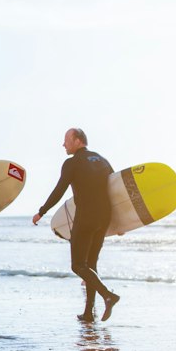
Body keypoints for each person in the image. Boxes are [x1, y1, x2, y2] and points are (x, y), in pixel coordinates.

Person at [32, 128, 120, 322]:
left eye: (66, 140)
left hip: (86, 217)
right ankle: (89, 312)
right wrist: (120, 223)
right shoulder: (101, 160)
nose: (64, 145)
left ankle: (108, 296)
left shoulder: (72, 163)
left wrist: (42, 211)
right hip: (103, 217)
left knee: (78, 265)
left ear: (78, 141)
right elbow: (116, 189)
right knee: (91, 265)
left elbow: (59, 190)